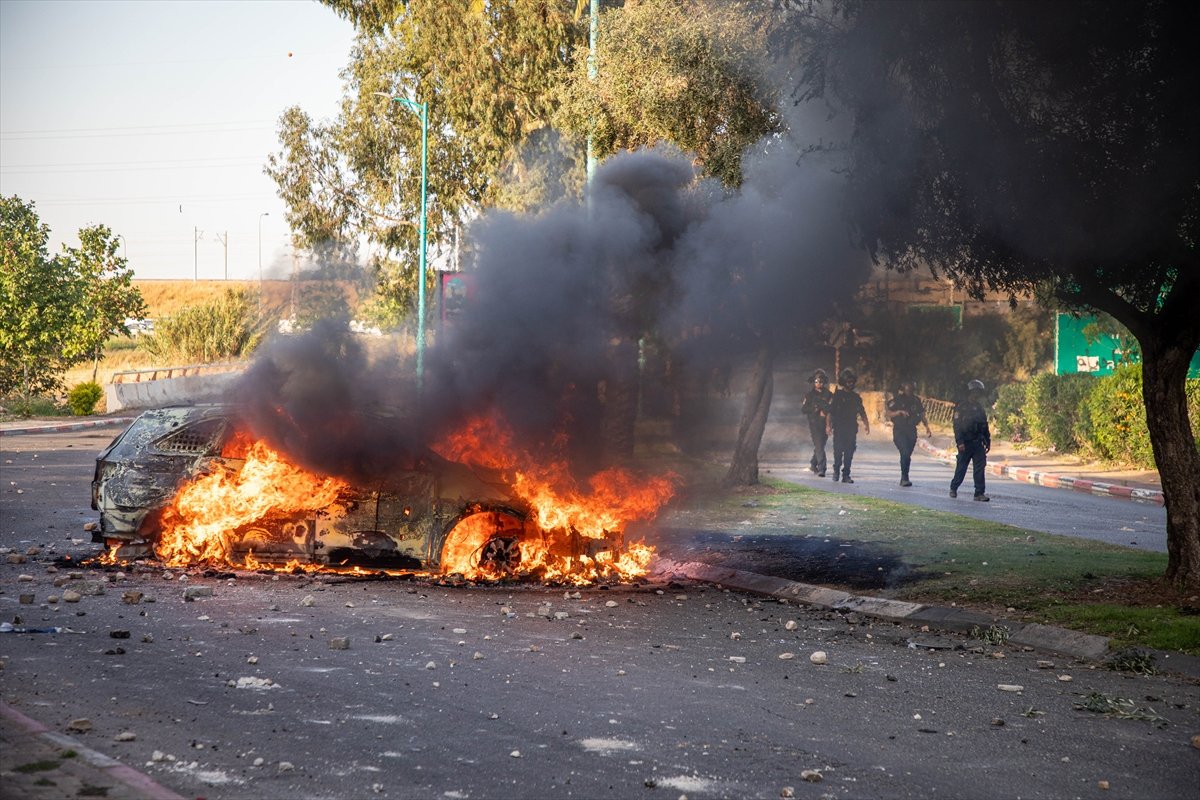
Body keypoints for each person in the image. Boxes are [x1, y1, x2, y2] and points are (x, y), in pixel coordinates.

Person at [950, 378, 991, 501]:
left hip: (978, 442)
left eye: (978, 392)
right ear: (969, 393)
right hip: (965, 443)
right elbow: (957, 426)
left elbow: (984, 424)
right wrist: (960, 442)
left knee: (980, 468)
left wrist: (987, 440)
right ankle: (953, 488)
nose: (976, 395)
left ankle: (979, 493)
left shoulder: (979, 408)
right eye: (974, 392)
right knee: (961, 468)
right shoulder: (961, 407)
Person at [886, 381, 932, 487]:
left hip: (911, 430)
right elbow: (889, 413)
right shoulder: (897, 400)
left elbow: (921, 415)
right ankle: (904, 478)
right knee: (905, 452)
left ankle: (905, 475)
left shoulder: (916, 400)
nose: (909, 392)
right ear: (903, 390)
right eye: (908, 390)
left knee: (907, 455)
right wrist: (899, 412)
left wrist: (927, 427)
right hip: (899, 430)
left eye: (911, 390)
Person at [827, 367, 870, 483]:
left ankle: (846, 474)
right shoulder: (837, 396)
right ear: (844, 382)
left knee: (849, 451)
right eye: (848, 382)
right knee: (838, 451)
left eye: (852, 382)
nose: (850, 384)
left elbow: (862, 411)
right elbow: (830, 412)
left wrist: (866, 424)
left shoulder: (856, 398)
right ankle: (836, 471)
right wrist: (828, 425)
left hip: (851, 428)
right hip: (839, 428)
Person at [800, 368, 832, 477]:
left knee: (821, 445)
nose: (819, 383)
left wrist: (828, 424)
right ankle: (822, 468)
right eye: (817, 381)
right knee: (819, 445)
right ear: (813, 382)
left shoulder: (829, 394)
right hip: (814, 423)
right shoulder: (809, 396)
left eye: (821, 381)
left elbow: (831, 409)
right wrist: (814, 409)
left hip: (825, 423)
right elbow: (804, 409)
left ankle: (813, 464)